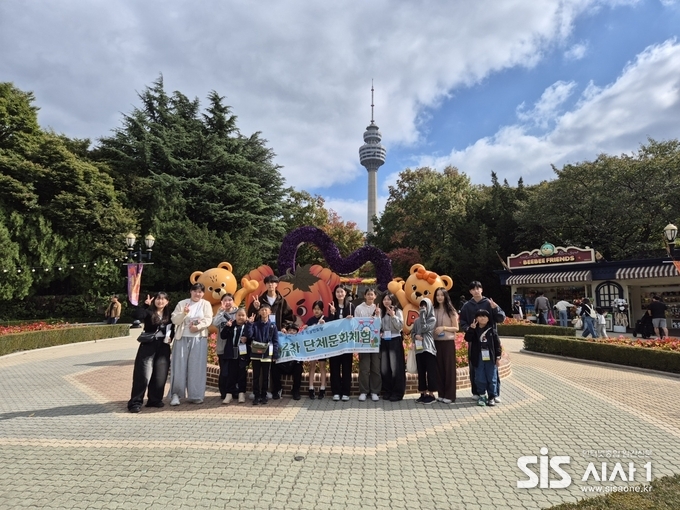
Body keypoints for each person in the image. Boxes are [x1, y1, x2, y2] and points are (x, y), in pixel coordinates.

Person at [249, 274, 296, 400]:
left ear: (277, 284)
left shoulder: (282, 300)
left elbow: (289, 316)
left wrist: (284, 326)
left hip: (277, 334)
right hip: (262, 336)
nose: (271, 285)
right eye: (268, 283)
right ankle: (258, 392)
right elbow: (251, 318)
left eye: (273, 282)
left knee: (274, 363)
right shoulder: (260, 300)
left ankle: (274, 390)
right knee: (260, 365)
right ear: (265, 285)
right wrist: (256, 307)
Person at [127, 292, 174, 413]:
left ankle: (154, 400)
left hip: (163, 346)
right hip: (148, 345)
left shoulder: (170, 314)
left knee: (160, 375)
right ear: (154, 300)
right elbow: (137, 315)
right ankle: (135, 402)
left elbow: (173, 329)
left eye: (163, 299)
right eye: (158, 298)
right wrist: (144, 305)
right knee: (143, 374)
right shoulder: (149, 312)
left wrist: (170, 337)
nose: (160, 301)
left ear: (167, 302)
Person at [459, 281, 506, 401]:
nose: (476, 290)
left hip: (490, 340)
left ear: (482, 289)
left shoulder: (489, 303)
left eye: (478, 288)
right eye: (473, 289)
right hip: (474, 340)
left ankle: (495, 394)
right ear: (470, 291)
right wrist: (469, 329)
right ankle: (477, 392)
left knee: (492, 368)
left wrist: (496, 309)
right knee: (475, 366)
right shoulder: (467, 306)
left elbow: (501, 318)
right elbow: (462, 322)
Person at [169, 283, 213, 406]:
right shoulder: (182, 303)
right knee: (179, 367)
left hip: (199, 338)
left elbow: (208, 319)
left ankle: (196, 395)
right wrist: (184, 313)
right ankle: (176, 394)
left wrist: (197, 327)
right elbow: (174, 320)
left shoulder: (206, 304)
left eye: (200, 292)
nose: (197, 294)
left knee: (197, 367)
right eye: (195, 291)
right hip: (182, 337)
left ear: (203, 293)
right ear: (191, 291)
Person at [464, 310, 501, 407]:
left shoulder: (492, 330)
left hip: (490, 357)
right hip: (478, 356)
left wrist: (498, 357)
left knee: (491, 377)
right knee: (479, 377)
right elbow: (467, 338)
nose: (482, 318)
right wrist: (471, 329)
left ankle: (491, 397)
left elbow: (497, 345)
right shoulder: (474, 330)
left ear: (488, 318)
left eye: (485, 316)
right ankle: (482, 395)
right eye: (480, 316)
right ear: (476, 318)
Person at [218, 307, 253, 404]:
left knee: (242, 375)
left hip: (242, 354)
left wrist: (247, 338)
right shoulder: (231, 325)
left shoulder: (247, 326)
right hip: (230, 354)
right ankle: (229, 394)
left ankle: (241, 393)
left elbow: (251, 336)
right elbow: (223, 336)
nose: (241, 317)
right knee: (230, 375)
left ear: (246, 317)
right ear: (235, 316)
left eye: (243, 315)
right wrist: (227, 327)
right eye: (239, 315)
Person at [328, 285, 355, 401]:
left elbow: (355, 324)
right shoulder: (331, 306)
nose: (339, 294)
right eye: (337, 292)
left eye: (341, 292)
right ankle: (336, 391)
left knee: (346, 367)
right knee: (334, 367)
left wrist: (351, 320)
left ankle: (346, 392)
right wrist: (332, 314)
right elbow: (328, 325)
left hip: (347, 342)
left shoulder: (350, 306)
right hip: (334, 342)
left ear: (345, 293)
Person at [354, 288, 382, 402]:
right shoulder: (359, 308)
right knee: (364, 368)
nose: (370, 296)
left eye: (372, 294)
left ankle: (375, 391)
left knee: (375, 367)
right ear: (364, 296)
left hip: (375, 342)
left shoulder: (378, 309)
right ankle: (364, 391)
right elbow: (355, 324)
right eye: (368, 294)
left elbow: (380, 325)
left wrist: (378, 315)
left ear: (375, 296)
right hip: (363, 342)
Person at [433, 287, 459, 404]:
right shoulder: (433, 310)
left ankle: (450, 395)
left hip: (448, 342)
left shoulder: (451, 311)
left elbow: (456, 328)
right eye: (437, 295)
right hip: (436, 342)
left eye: (441, 295)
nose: (439, 297)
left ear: (445, 296)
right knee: (439, 368)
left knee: (449, 369)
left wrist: (444, 328)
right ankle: (441, 393)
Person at [250, 302, 279, 405]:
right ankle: (256, 395)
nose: (264, 311)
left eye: (266, 310)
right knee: (256, 375)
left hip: (267, 354)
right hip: (256, 354)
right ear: (259, 312)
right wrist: (250, 324)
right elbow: (249, 335)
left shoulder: (272, 326)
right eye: (262, 310)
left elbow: (275, 341)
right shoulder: (255, 324)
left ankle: (264, 395)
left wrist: (275, 355)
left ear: (270, 312)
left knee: (266, 375)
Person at [212, 293, 239, 401]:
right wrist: (221, 311)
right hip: (222, 348)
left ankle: (234, 391)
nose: (227, 302)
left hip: (235, 347)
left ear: (233, 301)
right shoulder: (220, 313)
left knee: (235, 370)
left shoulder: (238, 312)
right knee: (224, 371)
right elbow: (215, 323)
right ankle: (224, 392)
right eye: (225, 300)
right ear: (222, 302)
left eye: (230, 300)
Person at [379, 292, 405, 402]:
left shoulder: (398, 311)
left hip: (395, 340)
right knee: (385, 367)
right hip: (384, 340)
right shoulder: (380, 312)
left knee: (396, 368)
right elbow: (378, 327)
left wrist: (393, 316)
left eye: (388, 299)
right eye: (384, 299)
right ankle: (388, 390)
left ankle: (397, 392)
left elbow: (400, 326)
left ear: (393, 300)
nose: (386, 301)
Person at [412, 297, 437, 405]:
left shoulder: (432, 319)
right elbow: (413, 332)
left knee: (431, 372)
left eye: (425, 306)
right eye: (421, 306)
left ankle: (431, 394)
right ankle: (423, 393)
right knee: (421, 372)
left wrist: (422, 315)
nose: (423, 308)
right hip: (419, 349)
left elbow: (425, 328)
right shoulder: (416, 320)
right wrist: (415, 336)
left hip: (428, 348)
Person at [271, 323, 303, 400]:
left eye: (294, 330)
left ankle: (295, 390)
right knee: (274, 367)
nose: (291, 332)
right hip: (283, 364)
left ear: (297, 332)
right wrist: (281, 333)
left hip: (294, 365)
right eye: (290, 330)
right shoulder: (281, 338)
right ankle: (277, 389)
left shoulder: (300, 340)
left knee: (299, 368)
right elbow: (272, 336)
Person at [305, 301, 328, 400]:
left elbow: (330, 331)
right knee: (312, 366)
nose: (316, 311)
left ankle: (322, 388)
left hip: (322, 346)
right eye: (315, 309)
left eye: (318, 309)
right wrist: (305, 328)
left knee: (322, 367)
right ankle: (311, 388)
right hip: (313, 346)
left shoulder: (326, 319)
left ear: (322, 310)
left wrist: (325, 325)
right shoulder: (310, 320)